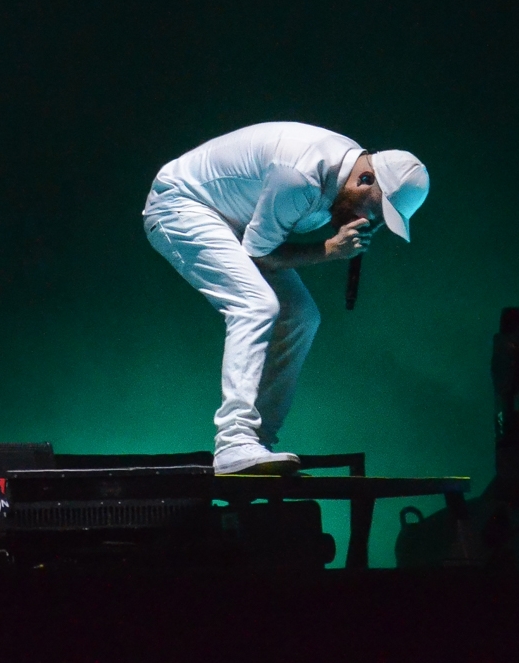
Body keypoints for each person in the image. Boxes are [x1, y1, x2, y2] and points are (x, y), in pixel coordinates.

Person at [142, 121, 429, 474]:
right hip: (180, 206)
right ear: (365, 179)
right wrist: (330, 250)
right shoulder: (302, 175)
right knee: (255, 304)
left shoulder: (342, 174)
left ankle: (257, 442)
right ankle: (234, 441)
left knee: (301, 316)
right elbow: (260, 256)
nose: (371, 222)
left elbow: (261, 247)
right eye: (375, 211)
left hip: (231, 222)